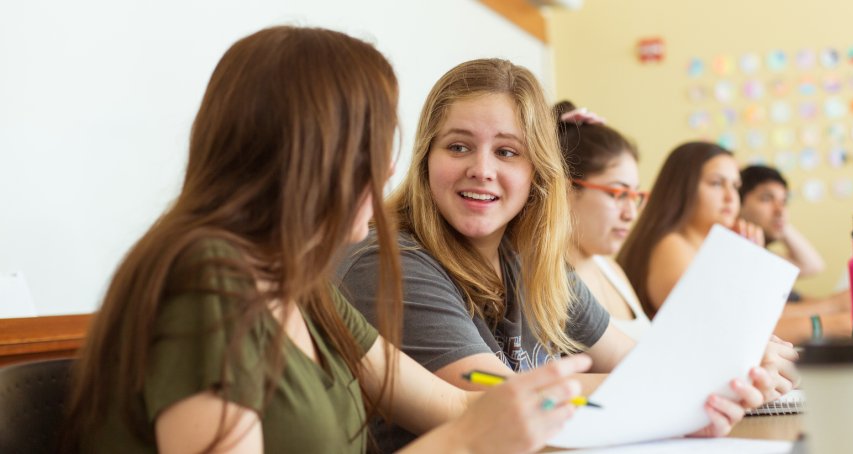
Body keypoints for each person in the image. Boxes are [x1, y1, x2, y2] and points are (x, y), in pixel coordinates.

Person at [62, 26, 594, 454]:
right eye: (378, 143)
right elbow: (463, 428)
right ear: (318, 154)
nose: (388, 169)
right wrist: (464, 444)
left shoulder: (301, 284)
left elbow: (455, 405)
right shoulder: (207, 281)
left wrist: (546, 400)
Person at [339, 59, 789, 451]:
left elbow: (638, 362)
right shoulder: (388, 262)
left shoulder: (530, 258)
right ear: (425, 160)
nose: (482, 168)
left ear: (538, 170)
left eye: (507, 152)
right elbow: (504, 406)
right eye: (458, 146)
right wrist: (696, 382)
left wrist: (728, 366)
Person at [617, 141, 765, 317]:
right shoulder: (671, 245)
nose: (730, 196)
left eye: (735, 186)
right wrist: (747, 262)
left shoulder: (701, 247)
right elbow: (718, 322)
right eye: (717, 183)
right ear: (682, 189)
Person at [554, 100, 650, 339]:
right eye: (617, 194)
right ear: (566, 192)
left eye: (635, 196)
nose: (631, 214)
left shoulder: (610, 268)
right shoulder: (552, 284)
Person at [737, 165, 850, 341]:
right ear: (738, 202)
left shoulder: (762, 256)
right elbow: (760, 316)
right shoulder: (738, 257)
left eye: (784, 202)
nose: (780, 209)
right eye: (767, 199)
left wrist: (779, 220)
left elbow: (813, 266)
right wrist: (834, 306)